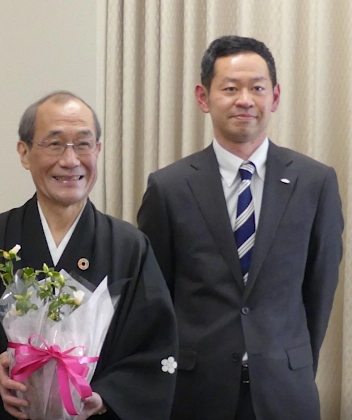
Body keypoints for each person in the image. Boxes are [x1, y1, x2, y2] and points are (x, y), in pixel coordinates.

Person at [0, 91, 178, 420]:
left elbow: (154, 350)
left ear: (99, 150)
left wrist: (105, 397)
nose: (71, 160)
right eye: (55, 143)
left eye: (83, 144)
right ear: (24, 152)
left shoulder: (130, 247)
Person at [138, 35, 343, 420]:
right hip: (194, 393)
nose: (245, 100)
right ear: (203, 97)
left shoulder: (315, 183)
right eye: (230, 88)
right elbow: (156, 298)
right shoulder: (169, 187)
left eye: (257, 88)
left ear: (275, 97)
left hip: (285, 391)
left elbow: (320, 288)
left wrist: (293, 361)